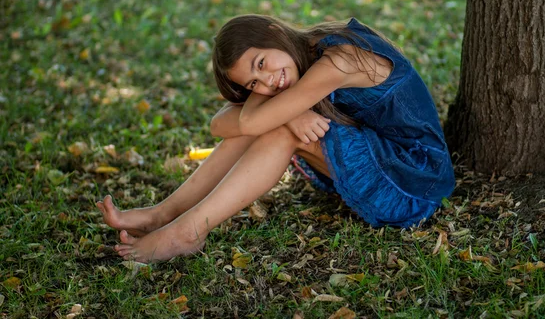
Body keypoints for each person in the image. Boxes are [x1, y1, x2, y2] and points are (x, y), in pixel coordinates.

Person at [96, 15, 455, 262]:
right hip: (381, 161)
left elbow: (249, 121)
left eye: (261, 63)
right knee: (276, 121)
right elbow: (219, 125)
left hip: (413, 182)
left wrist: (283, 110)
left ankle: (188, 231)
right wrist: (284, 106)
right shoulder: (297, 57)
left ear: (273, 32)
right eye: (252, 82)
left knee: (279, 127)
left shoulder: (339, 60)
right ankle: (165, 213)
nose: (267, 81)